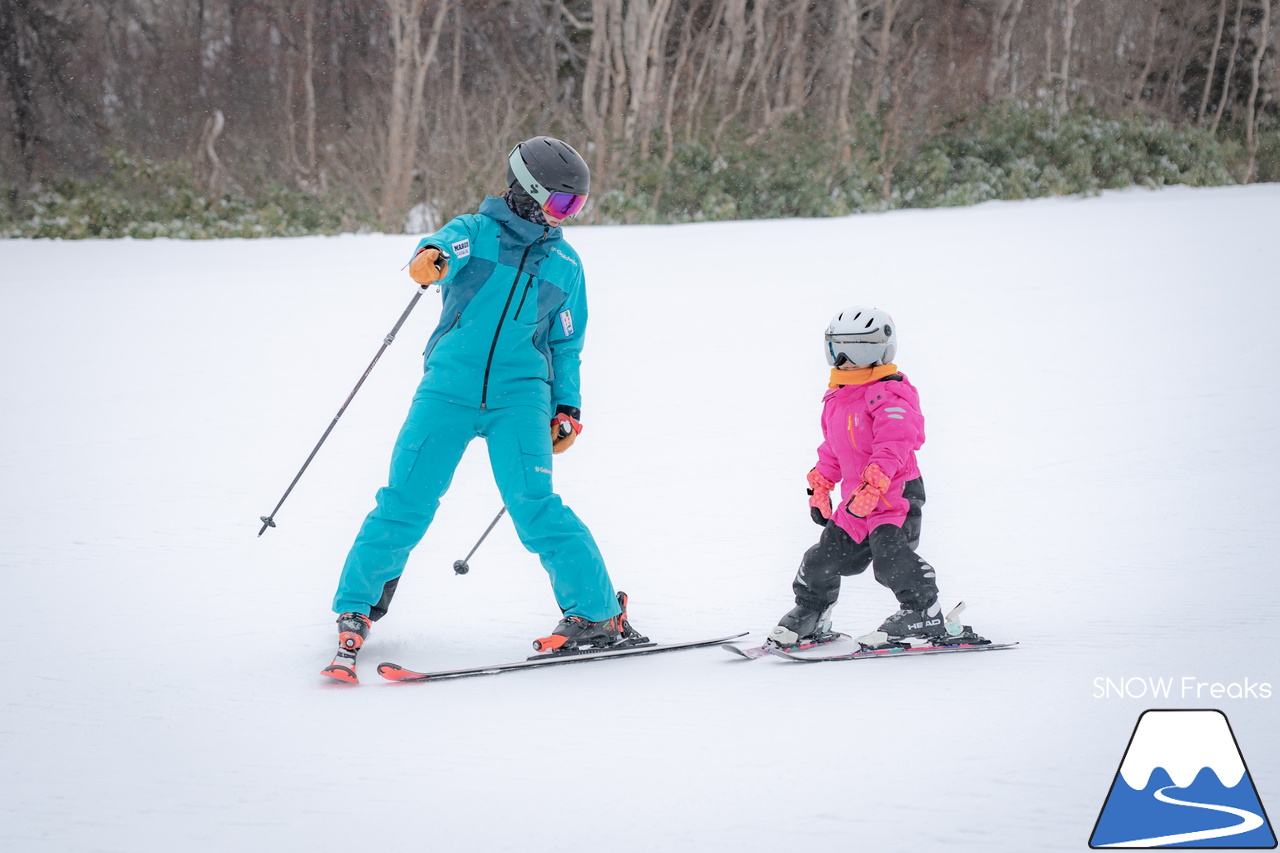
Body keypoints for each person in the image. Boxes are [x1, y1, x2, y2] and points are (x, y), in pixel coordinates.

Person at [323, 136, 640, 683]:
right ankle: (357, 606)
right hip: (448, 389)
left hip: (521, 398)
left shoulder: (564, 264)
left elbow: (566, 343)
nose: (567, 218)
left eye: (576, 207)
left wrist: (568, 404)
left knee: (535, 505)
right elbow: (444, 251)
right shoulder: (476, 233)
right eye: (563, 204)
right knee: (405, 501)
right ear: (526, 192)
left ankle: (597, 612)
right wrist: (430, 260)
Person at [766, 306, 981, 649]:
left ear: (882, 350)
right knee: (821, 559)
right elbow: (835, 448)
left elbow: (896, 441)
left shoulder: (890, 393)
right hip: (856, 502)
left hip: (894, 497)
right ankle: (812, 612)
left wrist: (876, 482)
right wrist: (821, 483)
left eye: (861, 349)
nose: (848, 359)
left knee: (891, 559)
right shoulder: (837, 396)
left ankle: (923, 611)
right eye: (839, 348)